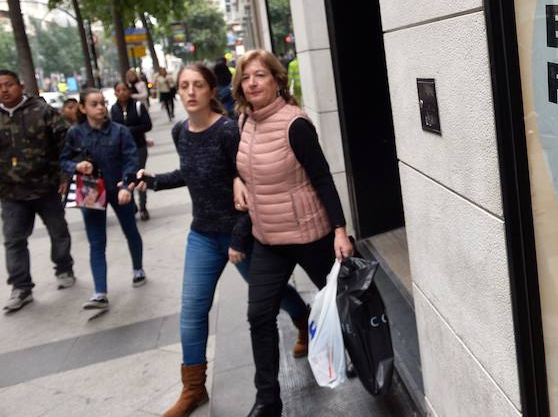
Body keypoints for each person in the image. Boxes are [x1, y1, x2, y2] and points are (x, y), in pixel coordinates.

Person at [133, 63, 309, 417]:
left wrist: (239, 238)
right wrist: (153, 180)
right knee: (192, 312)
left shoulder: (228, 131)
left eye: (198, 85)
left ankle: (303, 319)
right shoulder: (181, 130)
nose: (190, 92)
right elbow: (190, 172)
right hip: (201, 235)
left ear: (212, 90)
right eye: (184, 86)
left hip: (239, 235)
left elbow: (250, 184)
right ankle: (194, 389)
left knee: (273, 295)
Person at [232, 49, 353, 417]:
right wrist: (237, 180)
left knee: (346, 303)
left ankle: (365, 354)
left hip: (310, 234)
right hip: (268, 238)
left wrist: (340, 230)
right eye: (246, 77)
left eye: (260, 76)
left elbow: (321, 177)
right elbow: (241, 166)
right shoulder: (243, 122)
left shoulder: (294, 124)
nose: (252, 83)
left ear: (276, 81)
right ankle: (267, 400)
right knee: (258, 316)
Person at [60, 89, 147, 310]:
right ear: (83, 108)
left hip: (118, 188)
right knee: (96, 242)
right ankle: (100, 292)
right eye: (94, 104)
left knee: (131, 230)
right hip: (90, 190)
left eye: (103, 103)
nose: (100, 107)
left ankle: (138, 268)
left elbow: (131, 159)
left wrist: (127, 185)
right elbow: (64, 160)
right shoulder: (75, 133)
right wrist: (77, 166)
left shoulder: (120, 131)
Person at [0, 70, 76, 312]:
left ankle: (64, 268)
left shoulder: (42, 110)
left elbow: (67, 141)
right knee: (13, 240)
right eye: (0, 86)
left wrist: (65, 174)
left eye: (9, 84)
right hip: (11, 193)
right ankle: (21, 287)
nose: (4, 90)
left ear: (20, 86)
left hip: (45, 187)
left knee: (58, 231)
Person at [110, 82, 153, 221]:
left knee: (139, 176)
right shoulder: (113, 109)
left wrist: (129, 131)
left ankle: (143, 207)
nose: (121, 92)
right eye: (118, 90)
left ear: (129, 91)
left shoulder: (138, 106)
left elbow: (148, 125)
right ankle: (132, 205)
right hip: (121, 150)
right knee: (127, 177)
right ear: (115, 93)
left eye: (124, 89)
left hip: (139, 147)